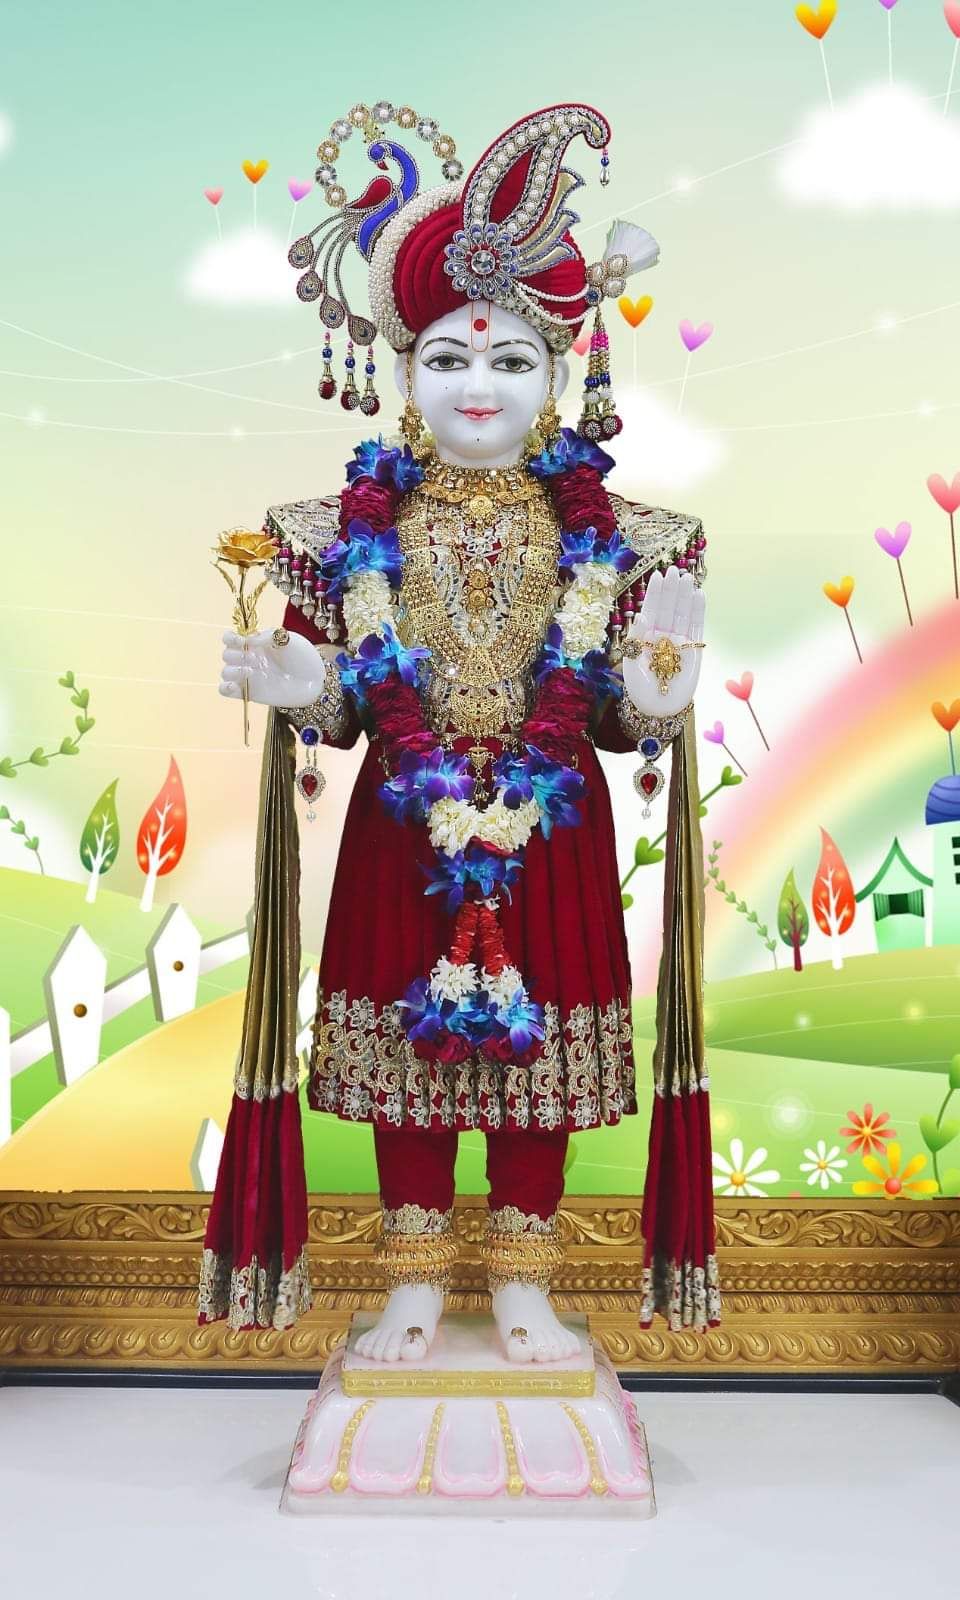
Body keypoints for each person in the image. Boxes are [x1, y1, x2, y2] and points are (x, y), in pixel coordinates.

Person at [198, 100, 719, 1362]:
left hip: (553, 821)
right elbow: (338, 709)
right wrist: (294, 684)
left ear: (558, 381)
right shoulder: (335, 534)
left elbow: (610, 718)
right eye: (445, 358)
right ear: (399, 369)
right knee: (409, 1059)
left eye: (507, 361)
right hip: (398, 815)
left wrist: (658, 690)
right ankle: (418, 1280)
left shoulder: (629, 538)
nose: (475, 385)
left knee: (538, 1053)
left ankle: (528, 1279)